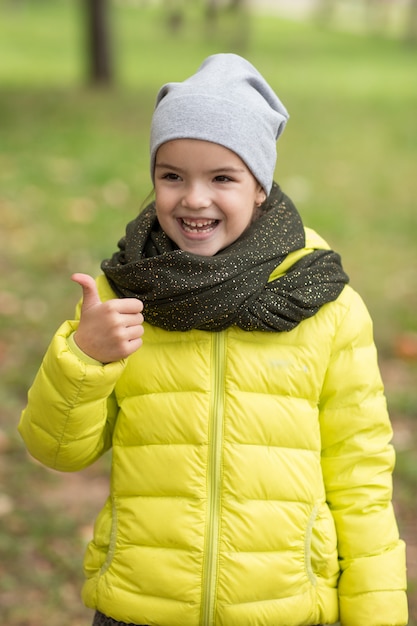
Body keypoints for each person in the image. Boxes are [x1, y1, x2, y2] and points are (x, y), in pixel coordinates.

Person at [18, 53, 408, 626]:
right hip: (141, 606)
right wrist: (84, 358)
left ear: (259, 187)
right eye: (172, 175)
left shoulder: (323, 304)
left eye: (222, 177)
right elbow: (56, 450)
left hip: (282, 608)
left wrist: (378, 613)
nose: (193, 199)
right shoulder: (123, 296)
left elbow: (360, 475)